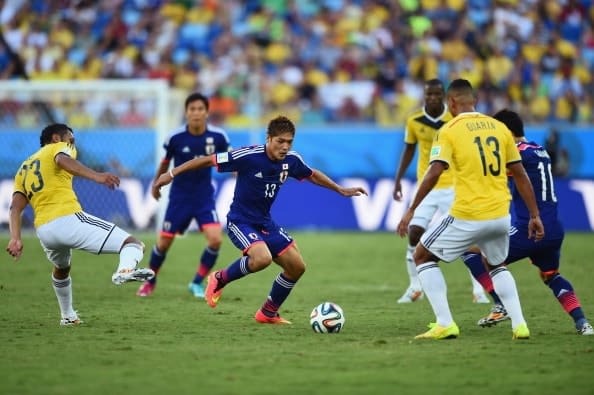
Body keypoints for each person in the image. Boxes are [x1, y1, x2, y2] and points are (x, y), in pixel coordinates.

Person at [154, 115, 368, 324]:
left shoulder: (291, 161)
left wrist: (340, 189)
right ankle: (219, 278)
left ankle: (268, 312)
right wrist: (170, 174)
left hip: (265, 223)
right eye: (280, 141)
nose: (285, 147)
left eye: (289, 142)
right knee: (262, 258)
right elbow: (207, 160)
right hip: (240, 221)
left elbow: (311, 174)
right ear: (269, 138)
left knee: (297, 267)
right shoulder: (248, 156)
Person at [397, 79, 545, 340]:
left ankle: (445, 323)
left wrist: (411, 209)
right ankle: (520, 325)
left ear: (451, 102)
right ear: (473, 100)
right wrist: (534, 215)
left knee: (422, 256)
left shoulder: (450, 129)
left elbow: (434, 172)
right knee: (496, 264)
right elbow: (521, 174)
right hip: (500, 215)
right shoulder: (499, 128)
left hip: (468, 215)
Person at [5, 123, 154, 326]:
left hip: (44, 231)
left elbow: (15, 207)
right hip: (67, 218)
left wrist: (15, 238)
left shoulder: (24, 168)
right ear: (57, 138)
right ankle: (125, 270)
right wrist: (97, 176)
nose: (73, 144)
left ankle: (67, 316)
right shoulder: (58, 148)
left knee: (61, 268)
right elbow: (62, 159)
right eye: (71, 139)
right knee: (133, 243)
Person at [462, 109, 593, 335]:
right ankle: (582, 322)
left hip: (530, 227)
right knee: (551, 275)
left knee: (472, 252)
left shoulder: (517, 154)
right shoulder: (539, 150)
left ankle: (500, 304)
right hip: (554, 229)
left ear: (507, 132)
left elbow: (489, 171)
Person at [393, 78, 488, 304]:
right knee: (414, 232)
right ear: (424, 96)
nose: (433, 98)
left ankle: (479, 290)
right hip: (426, 187)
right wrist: (397, 180)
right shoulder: (414, 120)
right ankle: (415, 287)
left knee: (468, 238)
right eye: (429, 95)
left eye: (437, 94)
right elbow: (409, 150)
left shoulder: (454, 119)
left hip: (454, 186)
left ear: (446, 97)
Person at [136, 92, 231, 298]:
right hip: (180, 198)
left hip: (205, 197)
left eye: (200, 109)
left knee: (215, 240)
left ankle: (197, 282)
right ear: (186, 112)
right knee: (163, 244)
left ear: (206, 112)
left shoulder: (219, 137)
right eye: (192, 109)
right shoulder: (175, 137)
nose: (196, 113)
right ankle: (149, 282)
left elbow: (230, 161)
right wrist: (156, 183)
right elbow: (164, 162)